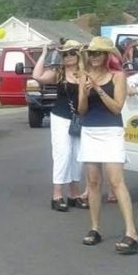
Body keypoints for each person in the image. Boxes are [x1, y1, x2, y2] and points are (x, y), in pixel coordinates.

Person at [76, 36, 138, 254]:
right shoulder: (83, 76)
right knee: (93, 182)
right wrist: (84, 92)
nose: (93, 57)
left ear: (106, 56)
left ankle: (132, 232)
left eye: (98, 53)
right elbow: (82, 110)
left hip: (111, 131)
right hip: (90, 131)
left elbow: (117, 108)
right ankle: (95, 228)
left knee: (116, 182)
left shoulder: (117, 76)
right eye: (91, 53)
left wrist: (98, 89)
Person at [32, 40, 88, 211]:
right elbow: (37, 76)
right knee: (62, 153)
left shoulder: (85, 73)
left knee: (78, 156)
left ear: (78, 54)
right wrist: (44, 54)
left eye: (72, 53)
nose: (69, 56)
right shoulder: (58, 72)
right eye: (65, 54)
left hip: (80, 118)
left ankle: (74, 194)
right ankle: (57, 195)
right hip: (61, 117)